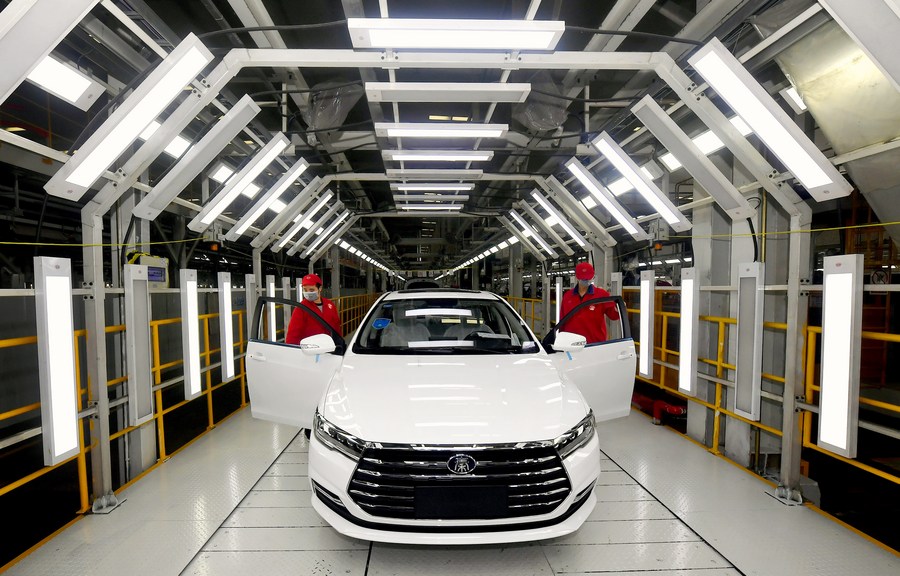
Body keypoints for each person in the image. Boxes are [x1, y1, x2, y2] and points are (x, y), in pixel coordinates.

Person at [559, 261, 620, 344]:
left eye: (588, 278)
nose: (586, 280)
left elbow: (614, 315)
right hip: (571, 344)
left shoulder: (601, 295)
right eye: (583, 278)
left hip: (594, 344)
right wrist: (561, 340)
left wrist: (619, 307)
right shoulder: (568, 296)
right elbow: (562, 320)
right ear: (577, 277)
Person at [285, 273, 342, 344]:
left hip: (330, 348)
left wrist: (339, 343)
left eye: (311, 290)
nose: (308, 293)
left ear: (320, 288)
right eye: (305, 290)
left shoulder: (330, 304)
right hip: (310, 350)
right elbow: (292, 335)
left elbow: (336, 327)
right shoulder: (301, 308)